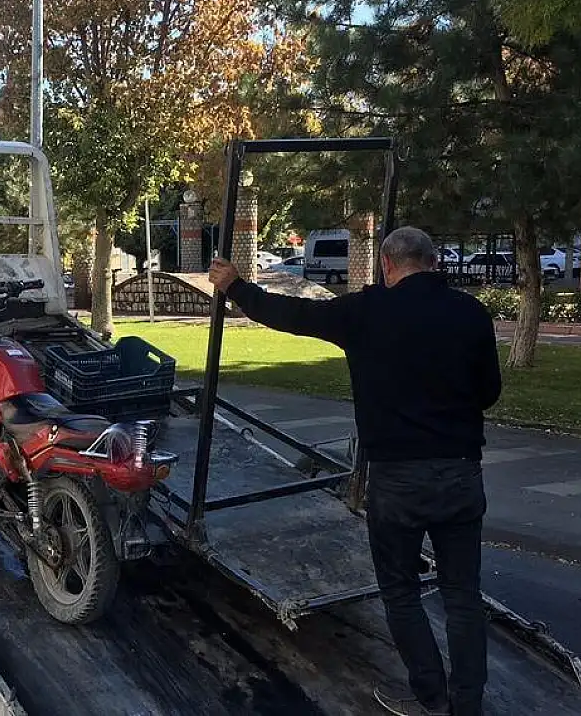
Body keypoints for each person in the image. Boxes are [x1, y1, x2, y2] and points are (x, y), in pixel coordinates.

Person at [210, 227, 500, 716]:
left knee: (401, 590)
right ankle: (468, 704)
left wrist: (236, 286)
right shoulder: (471, 313)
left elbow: (292, 315)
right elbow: (489, 391)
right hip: (460, 471)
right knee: (462, 595)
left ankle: (431, 696)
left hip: (395, 476)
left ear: (386, 265)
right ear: (433, 262)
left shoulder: (365, 311)